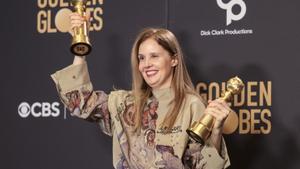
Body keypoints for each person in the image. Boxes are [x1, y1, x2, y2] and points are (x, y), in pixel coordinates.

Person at [51, 13, 231, 169]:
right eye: (141, 58)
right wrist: (80, 48)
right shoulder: (124, 103)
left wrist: (216, 132)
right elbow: (80, 104)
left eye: (155, 56)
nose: (146, 65)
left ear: (174, 60)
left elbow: (204, 165)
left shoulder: (192, 105)